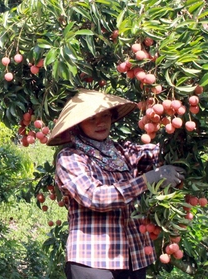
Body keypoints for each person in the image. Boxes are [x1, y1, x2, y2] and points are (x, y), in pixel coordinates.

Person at [46, 89, 185, 279]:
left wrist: (180, 125)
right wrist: (148, 179)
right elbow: (96, 197)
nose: (101, 123)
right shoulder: (71, 158)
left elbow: (155, 153)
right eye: (92, 119)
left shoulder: (122, 151)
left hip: (133, 258)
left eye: (105, 116)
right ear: (78, 125)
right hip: (93, 262)